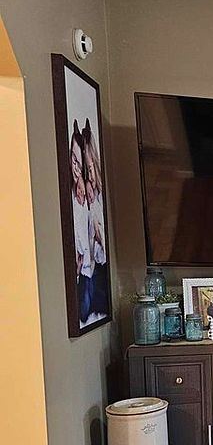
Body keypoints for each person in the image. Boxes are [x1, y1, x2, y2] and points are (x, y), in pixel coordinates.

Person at [82, 119, 109, 316]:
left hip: (98, 270)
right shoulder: (87, 203)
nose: (88, 176)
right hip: (90, 270)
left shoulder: (99, 200)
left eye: (90, 169)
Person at [70, 121, 95, 323]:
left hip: (89, 270)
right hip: (81, 272)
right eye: (74, 161)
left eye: (81, 164)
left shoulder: (90, 197)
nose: (77, 169)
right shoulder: (69, 202)